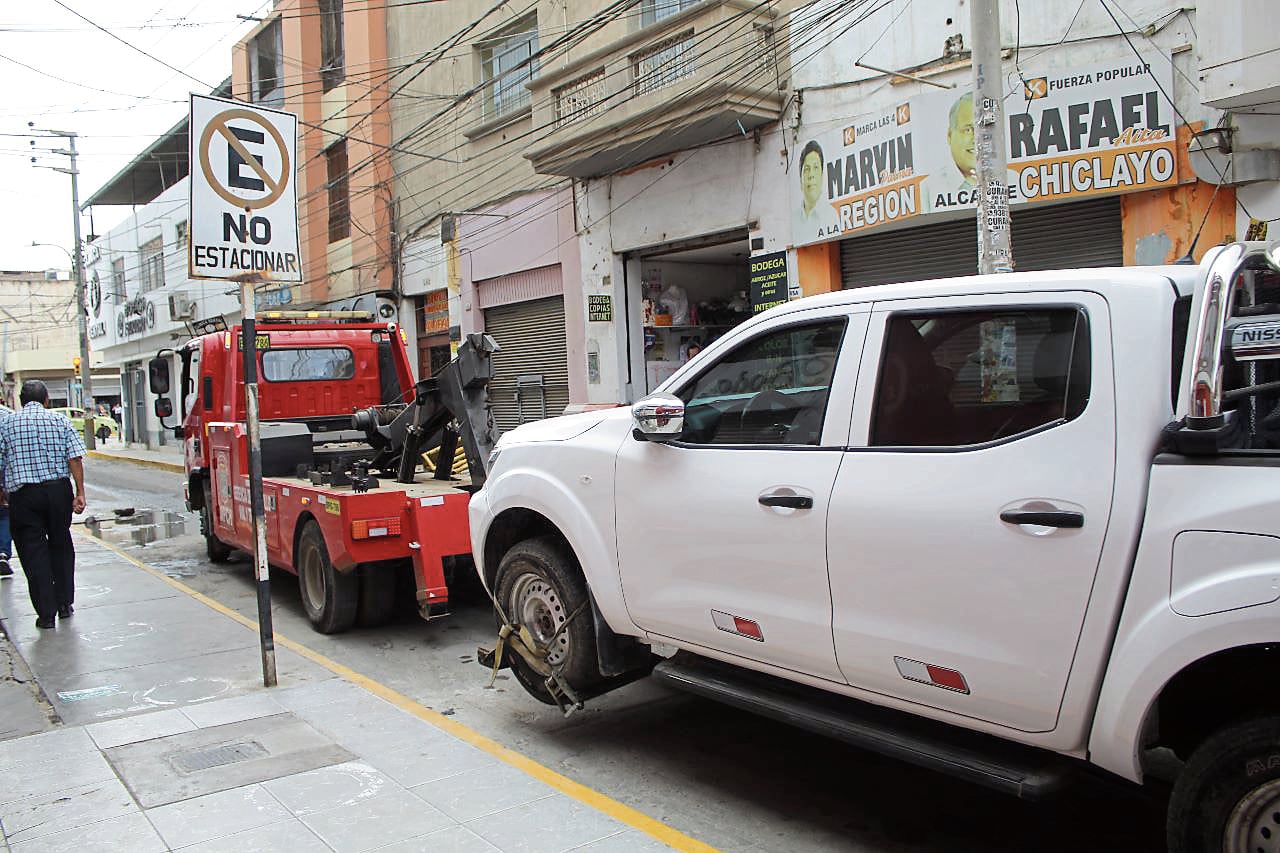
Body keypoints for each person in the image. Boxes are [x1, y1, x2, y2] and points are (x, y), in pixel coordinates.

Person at [0, 380, 87, 629]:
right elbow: (75, 458)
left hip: (24, 496)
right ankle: (64, 604)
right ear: (47, 399)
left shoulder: (7, 423)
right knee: (60, 544)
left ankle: (46, 614)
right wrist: (79, 493)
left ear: (21, 400)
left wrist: (1, 491)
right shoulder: (60, 421)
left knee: (32, 551)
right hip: (58, 491)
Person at [946, 91, 977, 190]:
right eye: (968, 130)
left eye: (984, 129)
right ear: (950, 136)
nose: (976, 139)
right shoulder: (928, 188)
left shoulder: (1010, 177)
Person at [798, 140, 824, 221]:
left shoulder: (831, 215)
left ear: (822, 176)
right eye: (806, 169)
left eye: (815, 168)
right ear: (800, 180)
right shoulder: (795, 217)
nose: (811, 175)